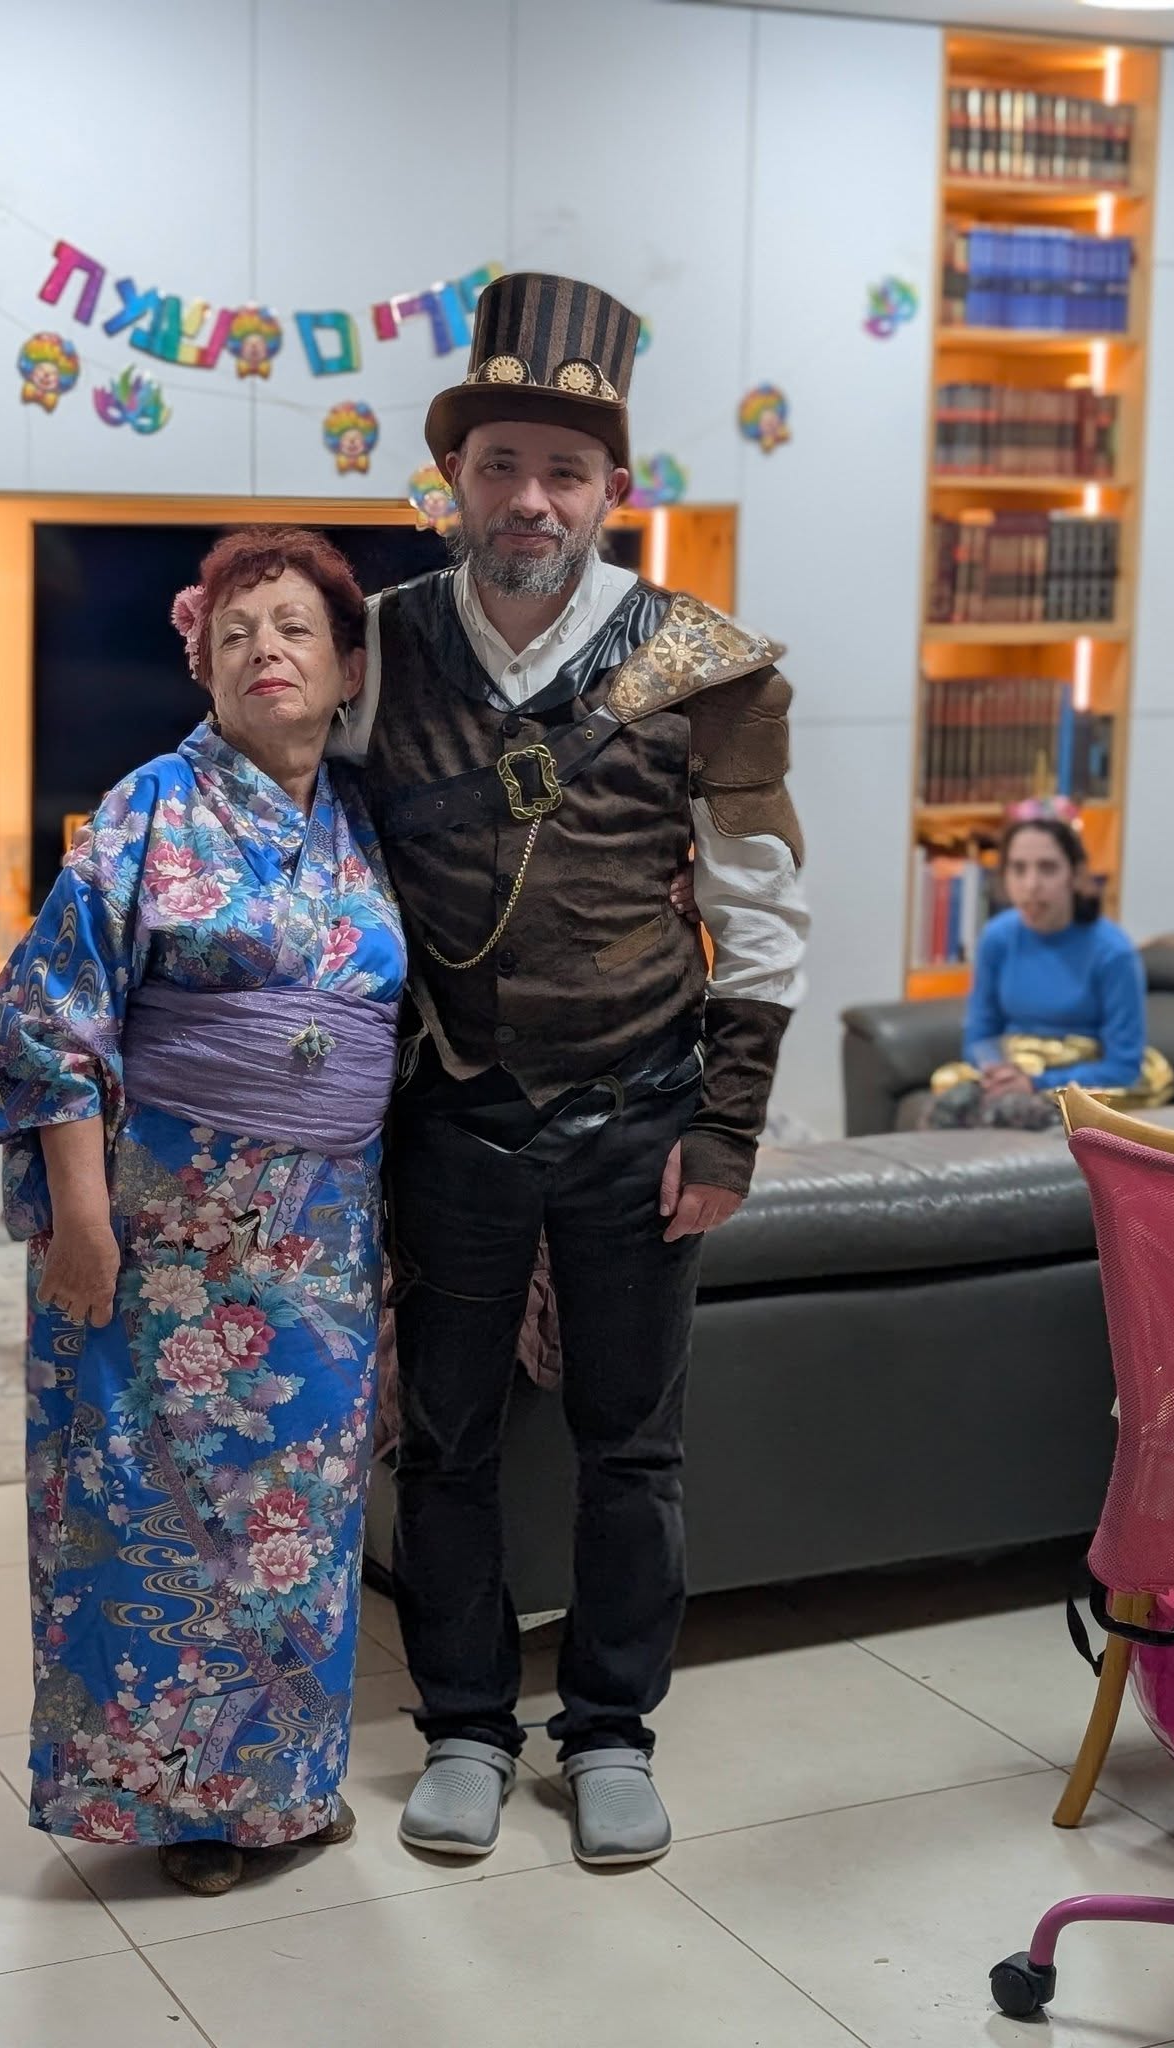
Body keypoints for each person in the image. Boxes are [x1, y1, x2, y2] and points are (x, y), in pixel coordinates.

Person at [335, 271, 810, 1868]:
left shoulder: (700, 663)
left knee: (632, 1447)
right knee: (443, 1445)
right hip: (447, 1122)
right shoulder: (376, 648)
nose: (529, 499)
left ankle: (609, 1731)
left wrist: (726, 1132)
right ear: (453, 481)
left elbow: (760, 912)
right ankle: (465, 1726)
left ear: (614, 487)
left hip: (641, 1117)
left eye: (563, 470)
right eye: (500, 467)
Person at [0, 529, 406, 1898]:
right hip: (164, 1242)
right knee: (155, 1521)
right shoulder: (149, 808)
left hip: (321, 1248)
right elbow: (48, 1023)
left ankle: (288, 1789)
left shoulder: (365, 822)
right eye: (233, 633)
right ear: (202, 666)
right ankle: (184, 1809)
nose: (264, 649)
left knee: (301, 1528)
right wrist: (82, 1221)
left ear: (345, 669)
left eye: (293, 629)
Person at [927, 802, 1172, 1129]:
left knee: (1027, 1109)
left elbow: (1123, 1067)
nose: (1031, 885)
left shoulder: (1113, 952)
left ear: (1075, 874)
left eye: (1047, 868)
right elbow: (979, 1036)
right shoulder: (997, 937)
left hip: (1078, 1079)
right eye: (1018, 869)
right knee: (950, 1091)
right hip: (1014, 1067)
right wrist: (998, 1072)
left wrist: (1035, 1083)